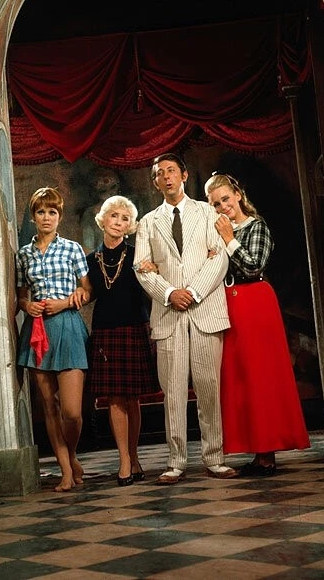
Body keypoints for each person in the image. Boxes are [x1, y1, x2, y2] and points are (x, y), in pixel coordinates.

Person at [134, 153, 236, 484]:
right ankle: (176, 461)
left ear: (184, 175)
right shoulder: (148, 222)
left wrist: (191, 291)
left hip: (205, 311)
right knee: (174, 392)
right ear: (155, 182)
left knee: (209, 388)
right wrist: (168, 293)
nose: (166, 177)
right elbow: (141, 267)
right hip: (169, 315)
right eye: (159, 173)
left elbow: (219, 258)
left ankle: (215, 458)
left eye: (171, 171)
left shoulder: (207, 212)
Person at [205, 172, 310, 475]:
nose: (222, 206)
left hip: (255, 301)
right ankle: (257, 450)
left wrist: (228, 240)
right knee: (239, 378)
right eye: (215, 203)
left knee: (260, 375)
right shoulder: (217, 231)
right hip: (228, 303)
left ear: (238, 195)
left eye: (225, 198)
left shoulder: (256, 226)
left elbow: (253, 266)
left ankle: (268, 453)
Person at [75, 195, 160, 486]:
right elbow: (88, 294)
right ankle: (124, 460)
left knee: (132, 398)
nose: (119, 222)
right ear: (103, 220)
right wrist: (79, 294)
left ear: (130, 226)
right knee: (114, 397)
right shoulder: (90, 260)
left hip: (135, 327)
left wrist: (156, 271)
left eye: (125, 219)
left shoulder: (139, 255)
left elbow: (154, 285)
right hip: (106, 331)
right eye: (114, 216)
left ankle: (134, 457)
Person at [16, 187, 91, 492]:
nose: (46, 217)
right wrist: (27, 306)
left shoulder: (72, 249)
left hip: (68, 327)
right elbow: (21, 295)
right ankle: (66, 470)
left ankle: (71, 456)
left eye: (52, 212)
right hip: (37, 331)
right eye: (41, 212)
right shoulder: (23, 254)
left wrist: (66, 302)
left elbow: (87, 290)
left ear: (59, 216)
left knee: (71, 412)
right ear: (33, 217)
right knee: (49, 406)